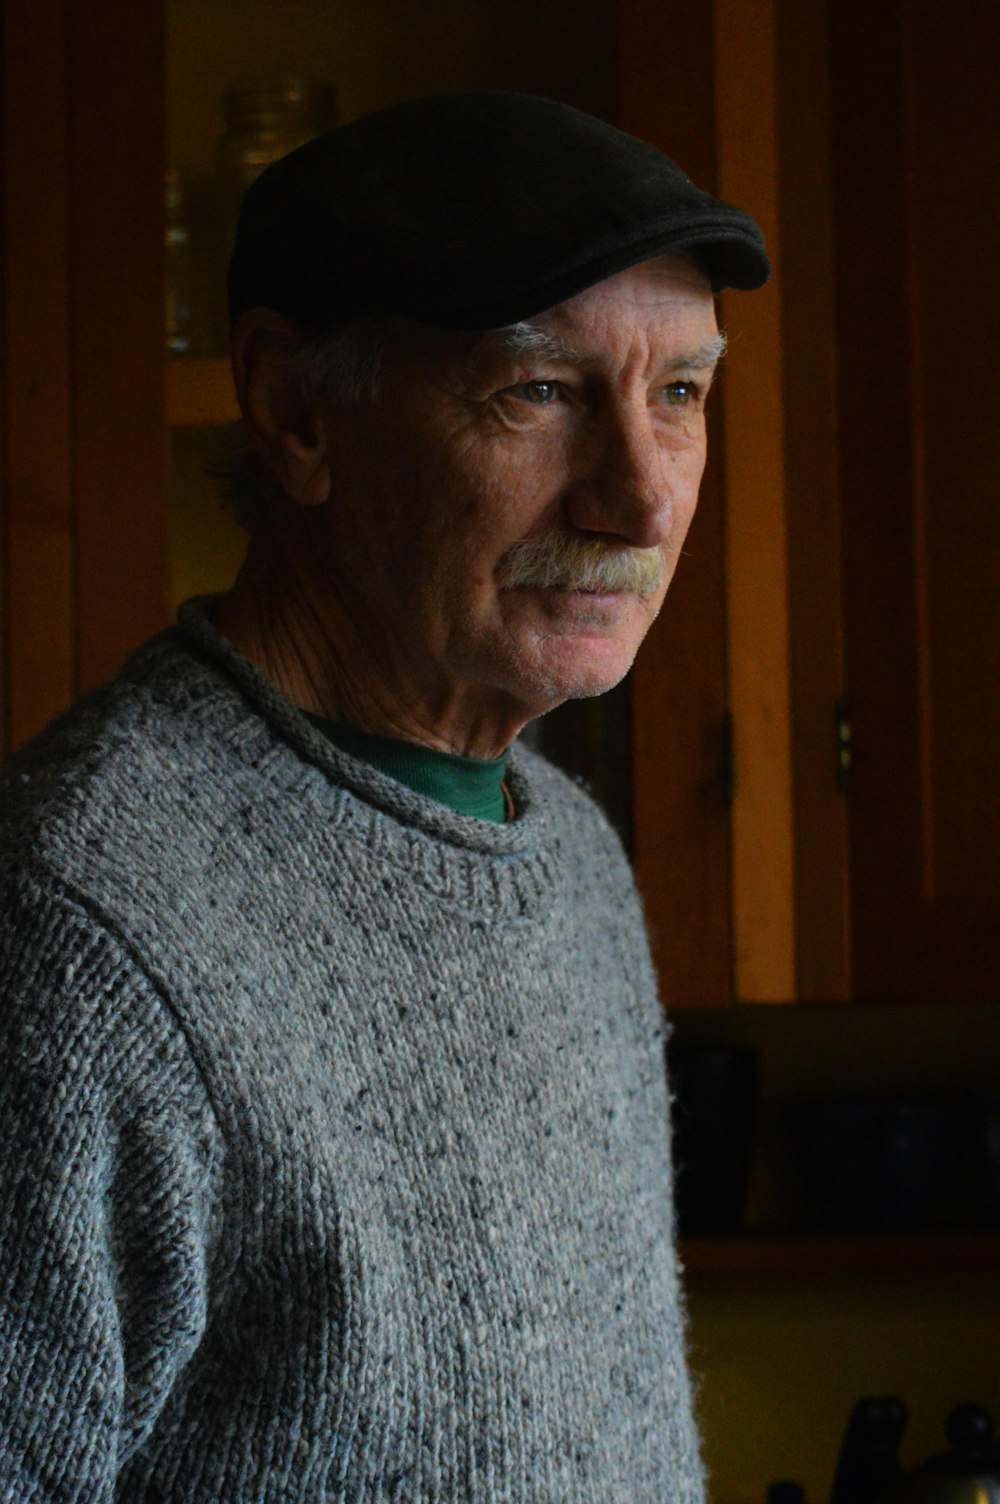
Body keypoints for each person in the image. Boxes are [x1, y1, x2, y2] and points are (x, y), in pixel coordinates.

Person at [0, 92, 766, 1501]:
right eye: (539, 392)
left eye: (680, 395)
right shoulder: (81, 923)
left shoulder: (574, 856)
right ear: (297, 410)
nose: (646, 501)